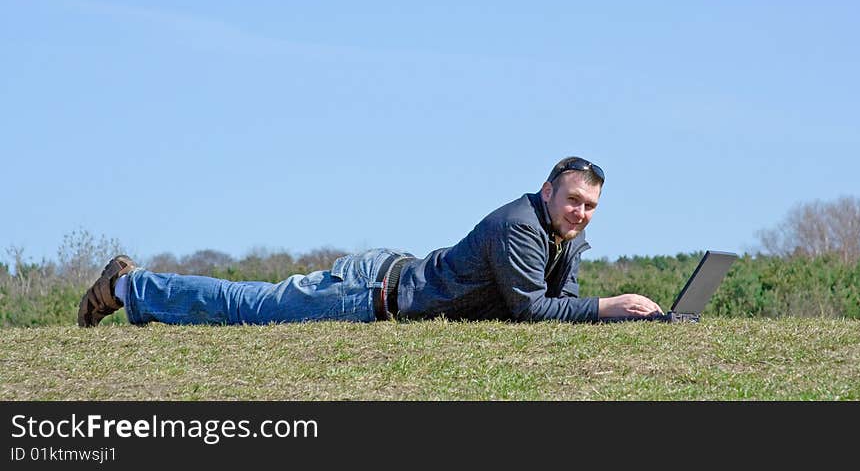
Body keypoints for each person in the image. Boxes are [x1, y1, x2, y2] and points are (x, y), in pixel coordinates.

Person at [77, 156, 664, 328]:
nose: (582, 213)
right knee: (245, 307)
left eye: (590, 207)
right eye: (574, 202)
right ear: (546, 190)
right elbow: (532, 311)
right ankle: (128, 285)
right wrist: (611, 308)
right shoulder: (517, 225)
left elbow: (558, 303)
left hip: (393, 278)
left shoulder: (556, 234)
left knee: (246, 305)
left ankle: (134, 287)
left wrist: (621, 309)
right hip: (367, 293)